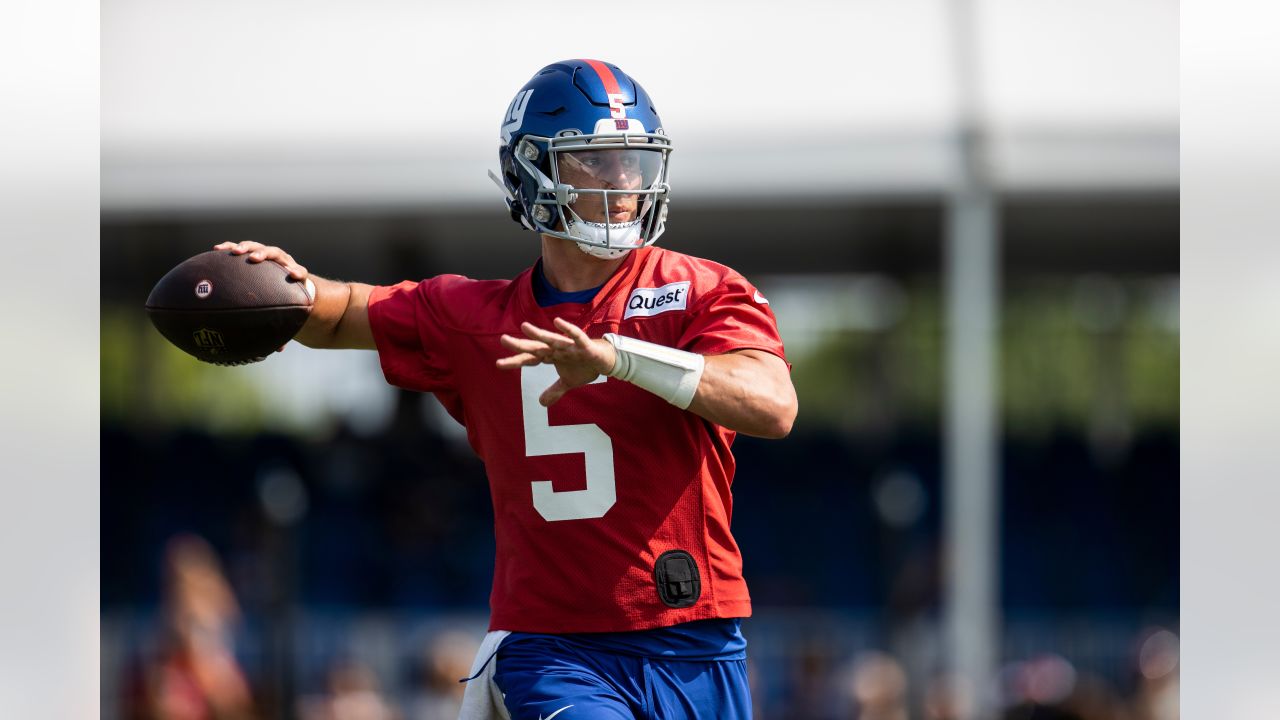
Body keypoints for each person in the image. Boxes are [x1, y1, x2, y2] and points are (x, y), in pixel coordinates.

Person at [213, 59, 797, 719]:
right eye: (597, 162)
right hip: (558, 649)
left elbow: (772, 404)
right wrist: (284, 284)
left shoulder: (702, 290)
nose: (624, 182)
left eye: (634, 162)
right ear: (534, 170)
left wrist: (620, 358)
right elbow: (339, 313)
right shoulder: (473, 318)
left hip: (699, 643)